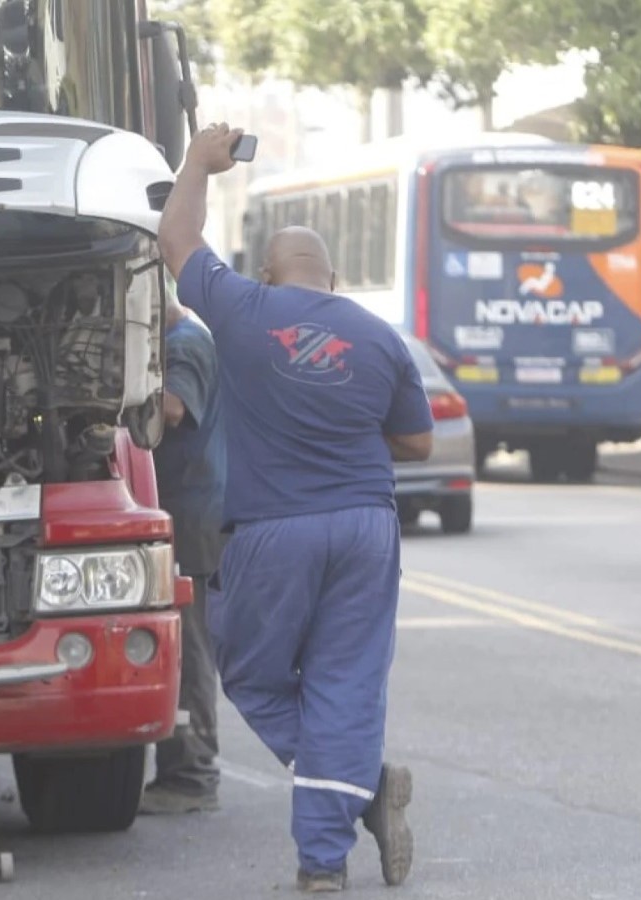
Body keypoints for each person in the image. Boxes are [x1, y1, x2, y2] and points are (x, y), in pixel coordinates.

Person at [155, 123, 433, 894]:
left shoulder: (242, 308)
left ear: (268, 272)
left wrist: (197, 163)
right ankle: (324, 860)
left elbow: (176, 237)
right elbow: (417, 444)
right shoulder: (378, 337)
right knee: (346, 680)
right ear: (333, 278)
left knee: (247, 668)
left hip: (272, 531)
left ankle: (362, 788)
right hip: (367, 529)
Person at [139, 290, 226, 815]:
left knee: (189, 645)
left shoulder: (185, 344)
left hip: (193, 517)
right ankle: (184, 768)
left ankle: (192, 775)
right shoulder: (180, 340)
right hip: (187, 510)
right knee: (183, 639)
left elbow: (171, 409)